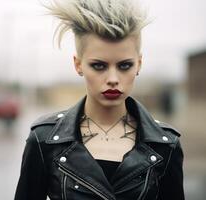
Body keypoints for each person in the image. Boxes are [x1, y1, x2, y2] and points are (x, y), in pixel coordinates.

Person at [14, 0, 184, 199]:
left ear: (139, 64)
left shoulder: (166, 145)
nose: (113, 79)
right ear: (78, 65)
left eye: (124, 66)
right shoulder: (44, 140)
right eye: (99, 66)